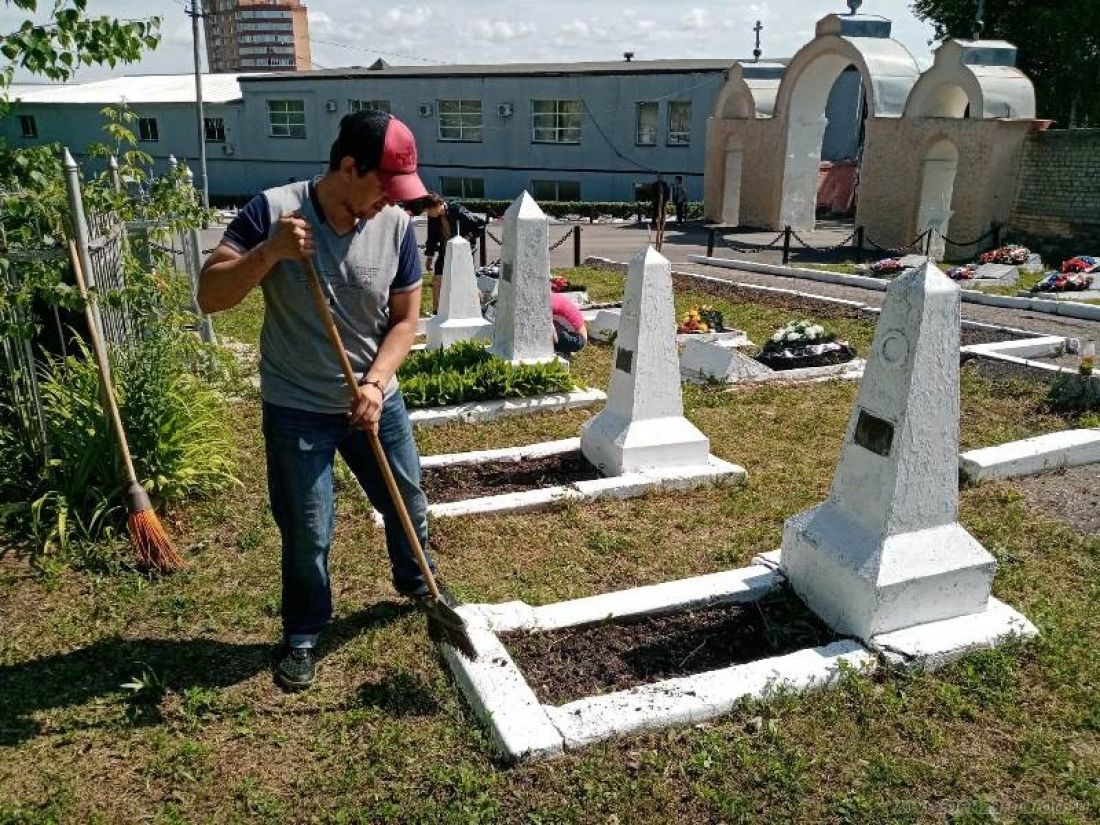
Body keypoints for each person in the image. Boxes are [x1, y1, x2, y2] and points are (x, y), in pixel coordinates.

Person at [198, 111, 435, 692]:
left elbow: (405, 321)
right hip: (297, 405)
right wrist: (269, 253)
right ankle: (303, 631)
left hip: (373, 399)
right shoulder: (273, 211)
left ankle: (419, 582)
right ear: (348, 167)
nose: (389, 201)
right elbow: (210, 295)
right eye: (383, 185)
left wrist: (377, 385)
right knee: (308, 528)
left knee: (406, 497)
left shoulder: (399, 227)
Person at [422, 193, 487, 313]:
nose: (429, 213)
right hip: (445, 249)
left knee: (467, 280)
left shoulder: (457, 210)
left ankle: (478, 307)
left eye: (430, 210)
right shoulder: (433, 217)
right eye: (427, 211)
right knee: (437, 279)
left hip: (462, 250)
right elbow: (431, 237)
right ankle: (437, 311)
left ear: (439, 205)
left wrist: (466, 238)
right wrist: (429, 257)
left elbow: (480, 224)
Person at [551, 291, 587, 357]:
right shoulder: (552, 296)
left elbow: (554, 337)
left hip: (576, 340)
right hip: (579, 336)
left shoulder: (548, 307)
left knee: (544, 326)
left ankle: (558, 350)